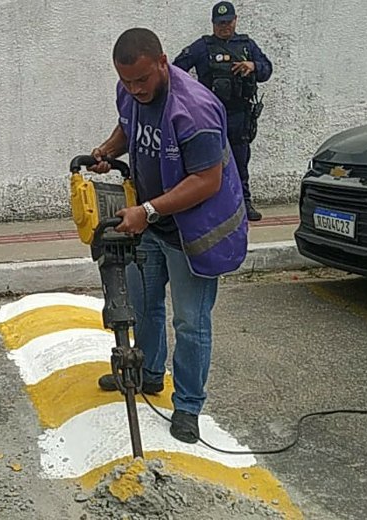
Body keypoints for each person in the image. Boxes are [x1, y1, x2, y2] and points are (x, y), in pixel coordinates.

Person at [89, 28, 248, 443]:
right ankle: (150, 375)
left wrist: (149, 210)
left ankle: (189, 406)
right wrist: (107, 151)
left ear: (162, 62)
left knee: (190, 322)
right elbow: (129, 127)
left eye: (142, 79)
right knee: (145, 307)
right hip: (152, 222)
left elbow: (207, 180)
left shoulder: (193, 110)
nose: (134, 88)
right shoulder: (131, 90)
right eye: (126, 81)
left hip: (194, 230)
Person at [172, 1, 272, 221]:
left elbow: (267, 70)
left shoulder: (247, 45)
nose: (224, 27)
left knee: (240, 163)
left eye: (228, 22)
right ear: (213, 24)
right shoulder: (202, 47)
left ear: (235, 20)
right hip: (210, 117)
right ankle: (209, 208)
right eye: (219, 23)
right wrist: (193, 97)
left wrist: (252, 66)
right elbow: (176, 69)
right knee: (208, 165)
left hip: (239, 116)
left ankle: (244, 205)